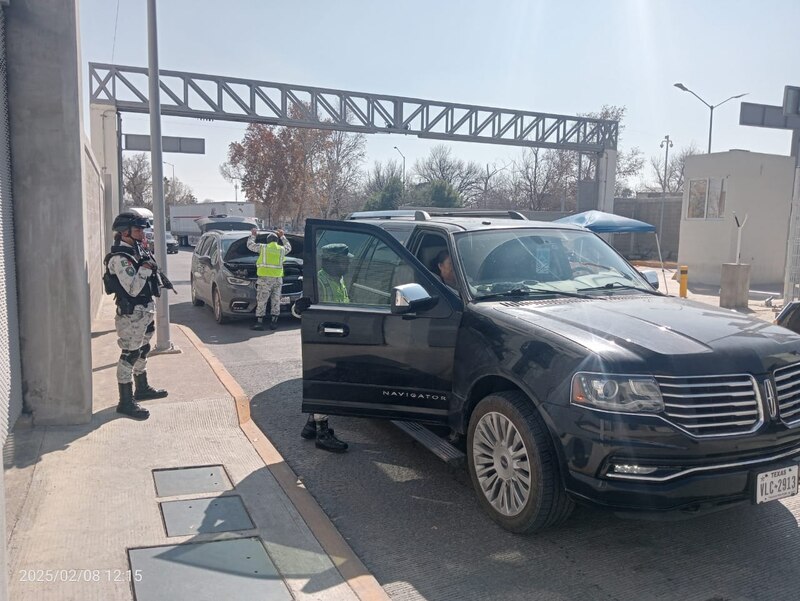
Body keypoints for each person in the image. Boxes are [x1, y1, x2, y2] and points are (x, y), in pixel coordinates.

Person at [103, 211, 169, 420]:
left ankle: (142, 388)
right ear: (125, 233)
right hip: (131, 314)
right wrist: (145, 269)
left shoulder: (136, 250)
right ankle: (125, 402)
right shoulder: (120, 259)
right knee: (129, 354)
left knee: (143, 349)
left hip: (144, 311)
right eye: (138, 229)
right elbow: (132, 289)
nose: (142, 233)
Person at [299, 243, 352, 453]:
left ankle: (311, 424)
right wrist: (300, 307)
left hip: (337, 338)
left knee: (328, 384)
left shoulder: (337, 279)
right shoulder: (318, 281)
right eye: (344, 260)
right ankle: (322, 433)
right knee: (324, 387)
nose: (348, 263)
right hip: (322, 341)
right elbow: (300, 309)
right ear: (330, 261)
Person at [247, 227, 292, 331]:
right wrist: (283, 236)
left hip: (265, 279)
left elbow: (250, 245)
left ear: (267, 241)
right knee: (276, 300)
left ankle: (259, 323)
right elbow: (289, 247)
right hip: (278, 279)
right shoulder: (281, 249)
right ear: (277, 241)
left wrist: (253, 234)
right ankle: (274, 322)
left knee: (262, 300)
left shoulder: (263, 248)